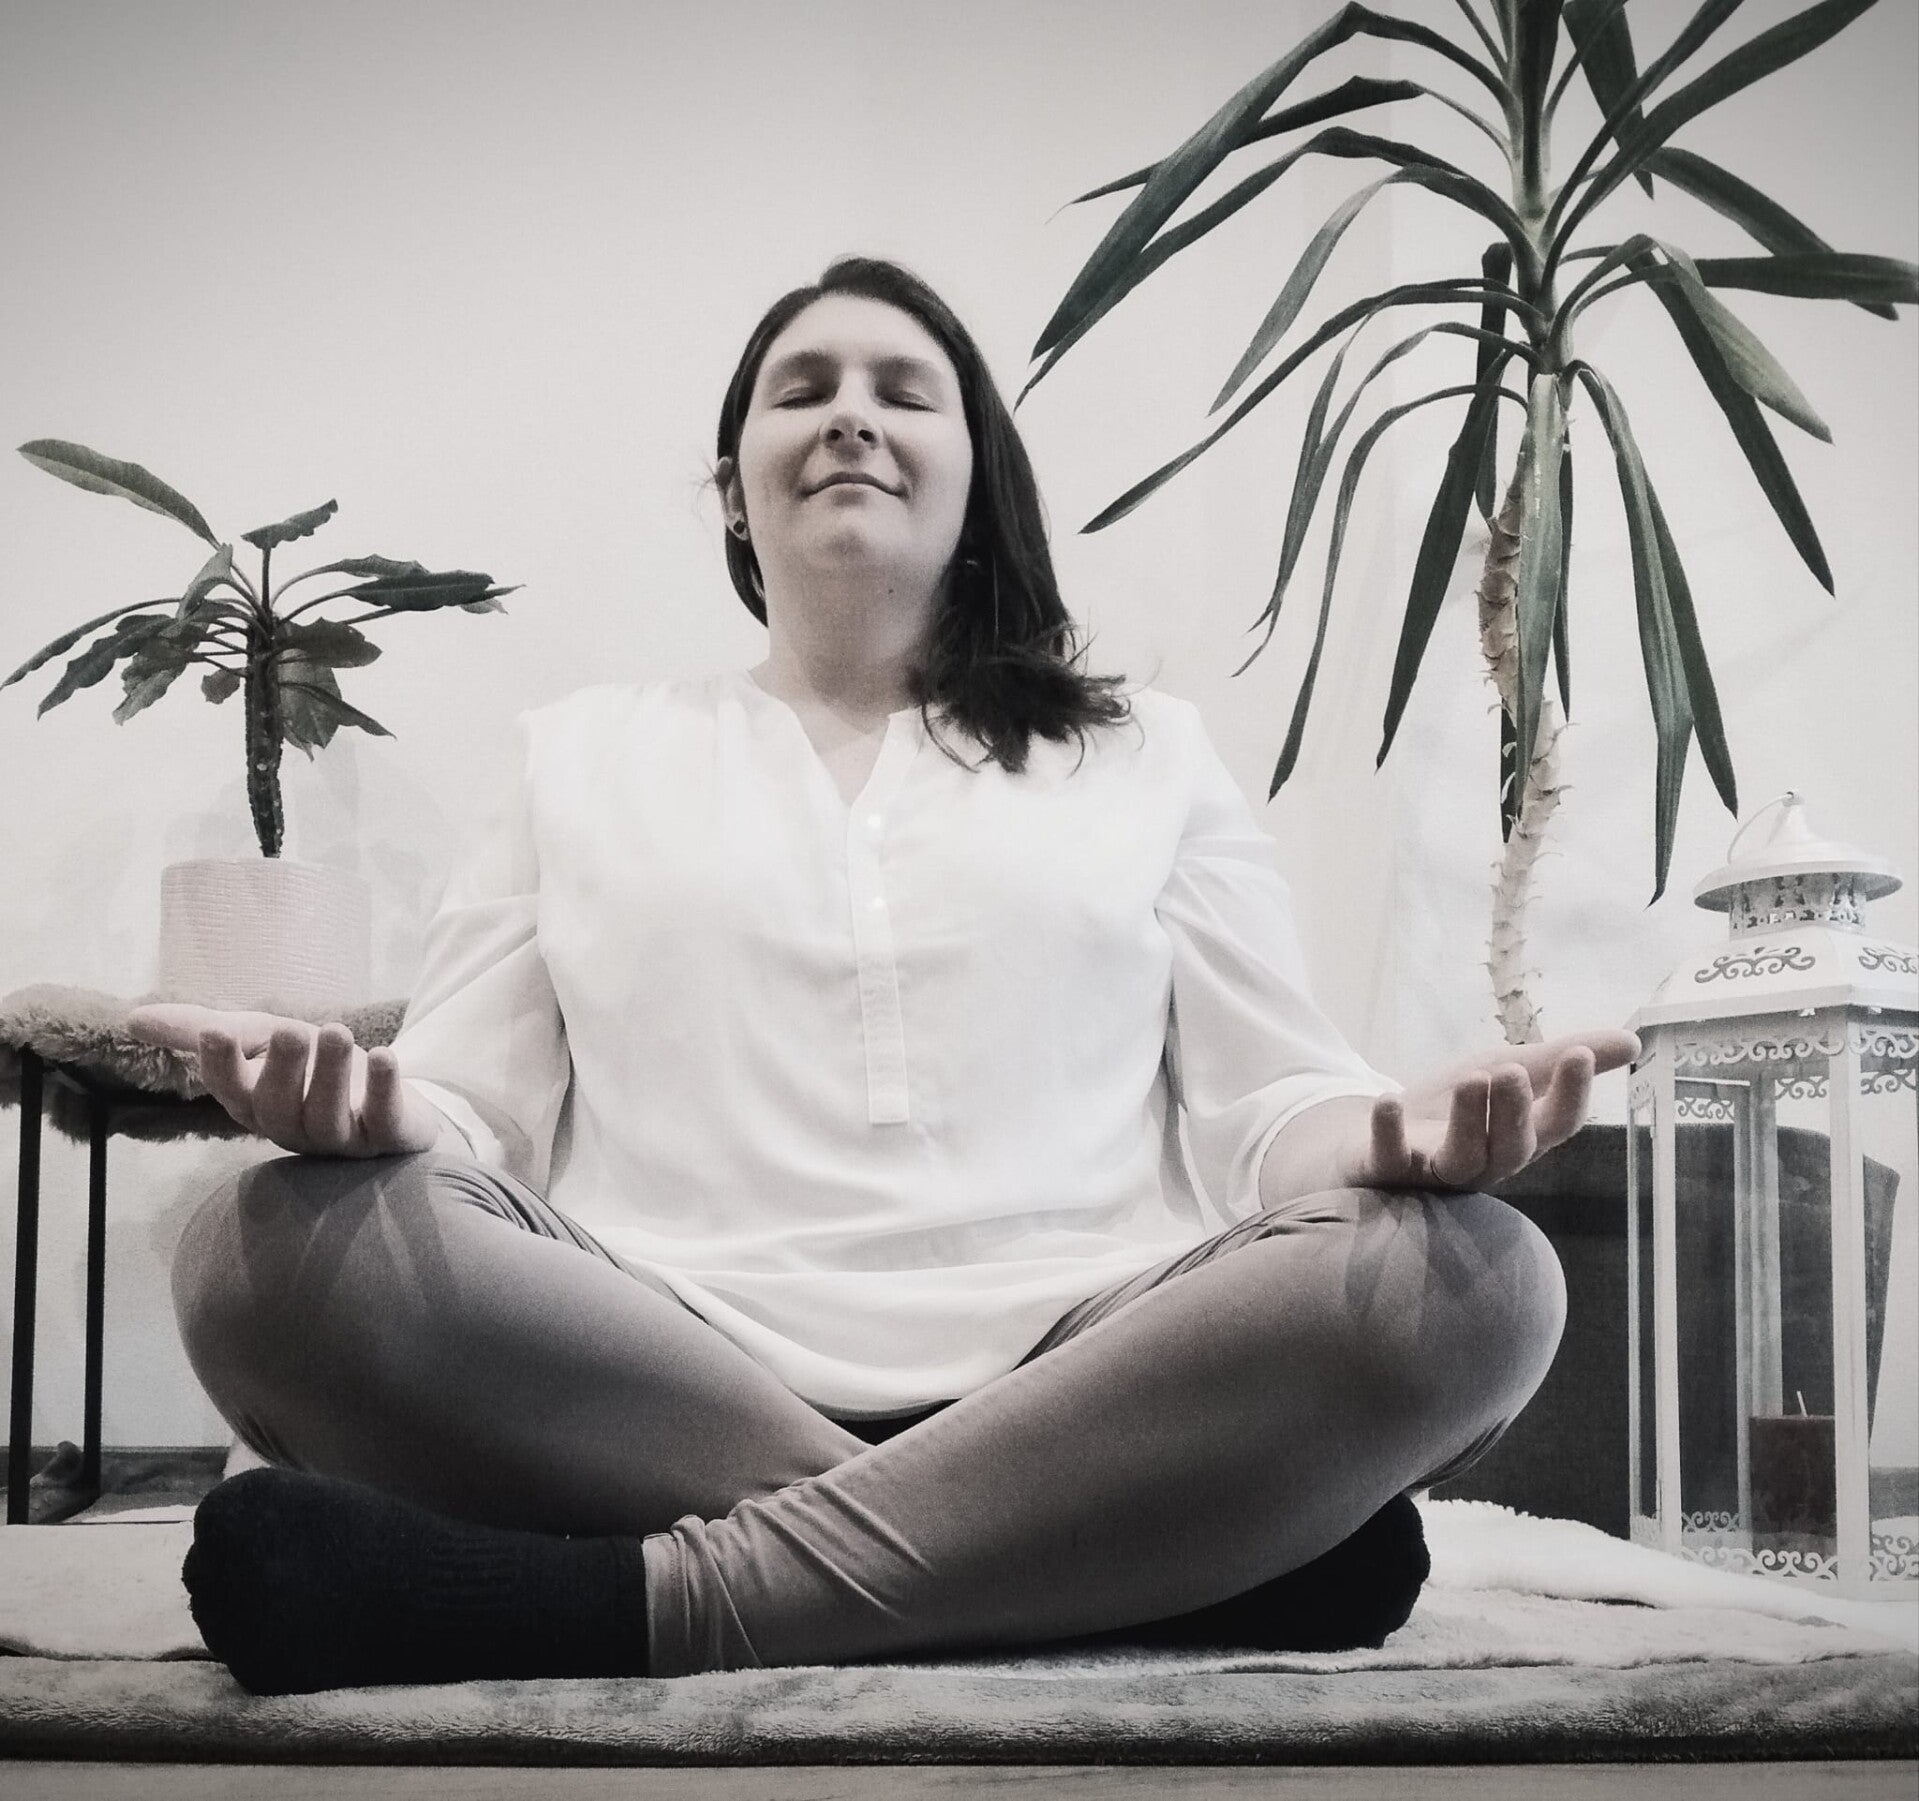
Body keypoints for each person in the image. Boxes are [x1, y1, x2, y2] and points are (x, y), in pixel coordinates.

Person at [130, 256, 1635, 1695]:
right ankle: (1129, 1554)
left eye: (903, 391)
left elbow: (1274, 1107)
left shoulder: (1145, 755)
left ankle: (633, 1601)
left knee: (1486, 1284)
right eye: (803, 389)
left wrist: (1388, 1138)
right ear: (735, 489)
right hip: (659, 1366)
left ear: (976, 477)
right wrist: (384, 1120)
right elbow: (476, 1114)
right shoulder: (578, 752)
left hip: (1090, 1366)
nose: (850, 414)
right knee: (253, 1253)